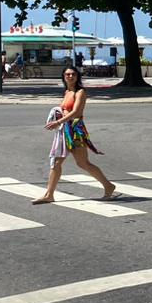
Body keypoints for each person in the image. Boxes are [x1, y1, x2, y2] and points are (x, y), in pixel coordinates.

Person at [32, 67, 115, 204]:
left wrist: (58, 122)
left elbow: (76, 112)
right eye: (67, 74)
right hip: (64, 130)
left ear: (77, 76)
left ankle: (108, 186)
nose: (70, 76)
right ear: (64, 77)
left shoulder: (80, 92)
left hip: (75, 131)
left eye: (73, 74)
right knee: (56, 162)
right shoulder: (67, 92)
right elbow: (65, 109)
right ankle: (49, 195)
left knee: (83, 163)